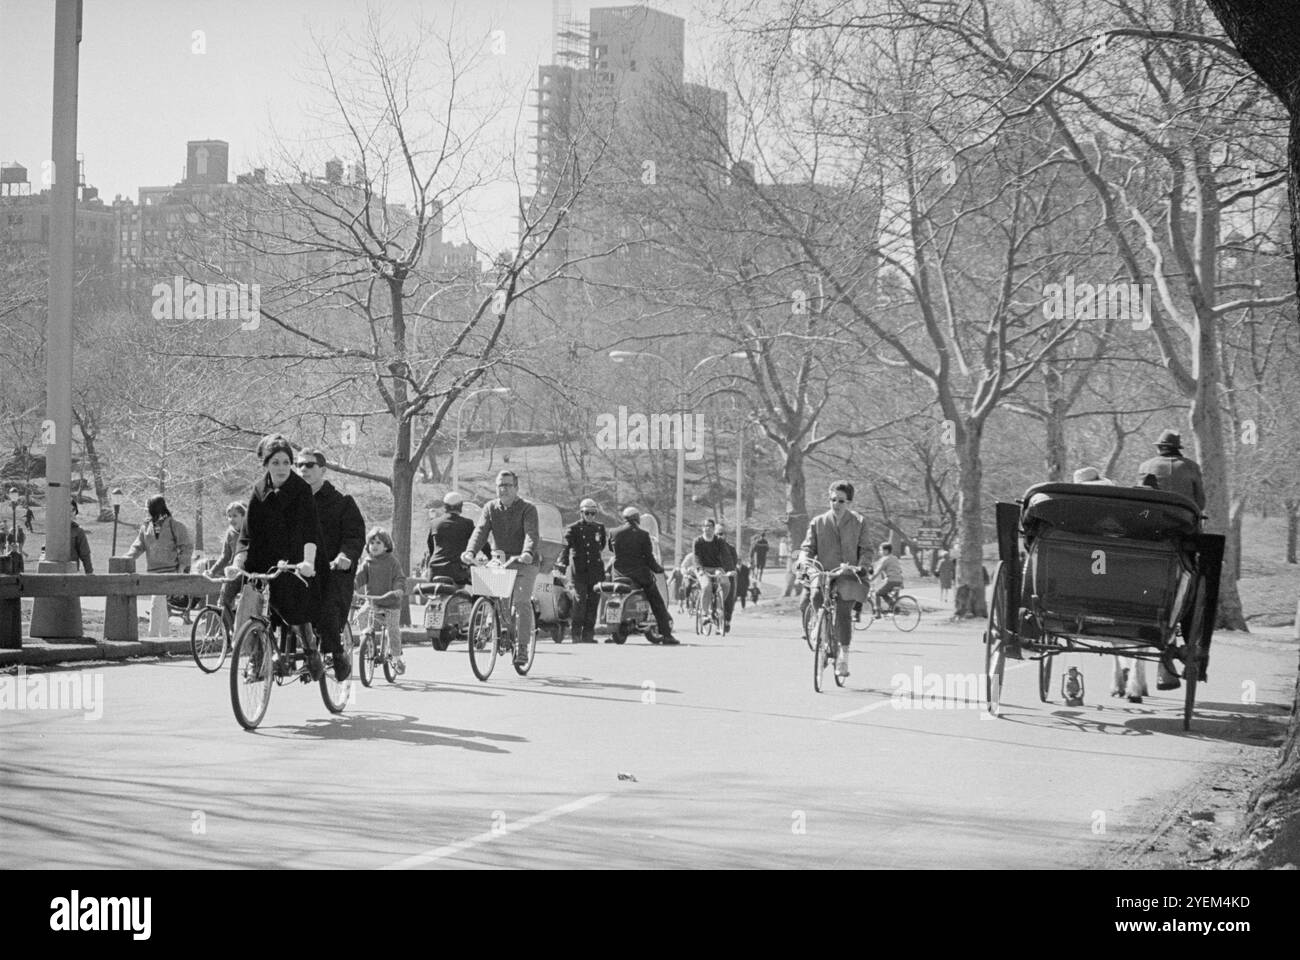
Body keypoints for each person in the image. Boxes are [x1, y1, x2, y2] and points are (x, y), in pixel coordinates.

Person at [226, 434, 327, 680]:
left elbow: (310, 530)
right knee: (251, 602)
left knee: (293, 606)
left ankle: (311, 651)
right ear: (266, 464)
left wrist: (308, 562)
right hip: (264, 558)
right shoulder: (259, 490)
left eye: (285, 462)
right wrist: (237, 562)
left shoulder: (301, 490)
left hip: (295, 559)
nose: (281, 468)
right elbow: (247, 534)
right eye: (275, 463)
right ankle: (256, 658)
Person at [299, 449, 366, 682]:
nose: (303, 469)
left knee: (327, 605)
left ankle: (337, 654)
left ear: (323, 470)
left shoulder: (342, 503)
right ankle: (266, 655)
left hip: (332, 570)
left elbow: (355, 536)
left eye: (309, 465)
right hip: (300, 568)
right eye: (299, 465)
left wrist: (345, 556)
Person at [462, 470, 541, 665]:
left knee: (521, 602)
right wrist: (470, 551)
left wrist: (528, 553)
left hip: (524, 562)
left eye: (507, 485)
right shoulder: (490, 508)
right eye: (500, 485)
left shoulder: (528, 509)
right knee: (492, 596)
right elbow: (480, 531)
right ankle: (491, 623)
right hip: (501, 561)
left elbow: (532, 533)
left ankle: (522, 647)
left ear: (516, 488)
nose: (503, 489)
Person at [799, 481, 872, 677]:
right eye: (833, 500)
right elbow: (807, 547)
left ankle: (843, 657)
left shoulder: (859, 522)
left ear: (849, 502)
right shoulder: (818, 522)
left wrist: (862, 566)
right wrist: (804, 560)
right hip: (824, 572)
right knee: (814, 596)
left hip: (848, 575)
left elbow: (866, 549)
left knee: (842, 613)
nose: (836, 504)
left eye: (841, 501)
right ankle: (818, 627)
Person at [122, 494, 193, 638]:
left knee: (156, 602)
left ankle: (153, 637)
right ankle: (165, 637)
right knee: (160, 604)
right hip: (153, 571)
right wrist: (126, 559)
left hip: (170, 571)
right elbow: (138, 546)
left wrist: (181, 567)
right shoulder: (146, 526)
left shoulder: (175, 526)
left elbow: (186, 546)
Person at [608, 506, 677, 644]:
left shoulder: (613, 532)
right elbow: (649, 558)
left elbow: (612, 549)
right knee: (657, 601)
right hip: (640, 576)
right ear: (637, 518)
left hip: (619, 575)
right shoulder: (643, 535)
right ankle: (667, 635)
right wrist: (658, 569)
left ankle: (612, 632)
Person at [355, 526, 407, 674]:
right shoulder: (367, 562)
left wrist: (398, 589)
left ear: (386, 546)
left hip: (391, 603)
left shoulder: (392, 562)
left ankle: (397, 658)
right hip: (373, 602)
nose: (374, 546)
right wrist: (352, 585)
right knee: (361, 615)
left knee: (392, 629)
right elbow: (360, 577)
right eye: (372, 543)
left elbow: (399, 578)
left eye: (378, 543)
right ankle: (367, 645)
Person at [557, 497, 607, 643]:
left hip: (595, 570)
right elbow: (566, 547)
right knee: (580, 602)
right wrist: (563, 562)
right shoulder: (574, 528)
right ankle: (576, 633)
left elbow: (601, 545)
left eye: (593, 513)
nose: (590, 516)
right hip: (579, 570)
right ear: (581, 513)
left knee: (593, 602)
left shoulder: (599, 527)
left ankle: (588, 634)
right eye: (587, 513)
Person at [1137, 429, 1205, 510]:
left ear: (1159, 447)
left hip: (1153, 516)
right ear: (1177, 448)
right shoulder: (1191, 466)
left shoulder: (1145, 466)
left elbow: (1140, 498)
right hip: (1184, 517)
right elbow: (1200, 503)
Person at [692, 519, 734, 633]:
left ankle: (717, 606)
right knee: (706, 586)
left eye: (710, 526)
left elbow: (726, 555)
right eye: (705, 526)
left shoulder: (719, 541)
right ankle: (705, 614)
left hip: (716, 568)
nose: (708, 528)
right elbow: (696, 557)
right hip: (703, 568)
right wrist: (700, 569)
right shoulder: (698, 541)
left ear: (714, 528)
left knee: (726, 584)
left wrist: (730, 570)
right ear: (702, 528)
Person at [426, 492, 475, 585]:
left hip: (434, 572)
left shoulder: (434, 523)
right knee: (479, 589)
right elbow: (479, 541)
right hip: (457, 574)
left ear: (445, 507)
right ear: (460, 506)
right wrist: (490, 556)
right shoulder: (467, 524)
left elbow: (431, 549)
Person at [213, 502, 247, 622]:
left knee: (247, 606)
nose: (231, 519)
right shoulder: (230, 533)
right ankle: (230, 632)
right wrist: (212, 571)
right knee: (222, 602)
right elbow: (225, 556)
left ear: (244, 516)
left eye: (235, 515)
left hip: (248, 574)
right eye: (229, 516)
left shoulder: (251, 532)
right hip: (233, 574)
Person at [715, 522, 739, 632]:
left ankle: (727, 620)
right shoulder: (711, 548)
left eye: (722, 534)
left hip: (728, 575)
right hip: (715, 576)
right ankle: (715, 621)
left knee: (729, 599)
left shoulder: (731, 548)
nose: (720, 536)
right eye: (718, 534)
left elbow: (734, 563)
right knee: (713, 596)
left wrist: (732, 571)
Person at [871, 542, 905, 618]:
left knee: (878, 593)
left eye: (880, 550)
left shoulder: (885, 559)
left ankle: (878, 613)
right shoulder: (895, 558)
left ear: (886, 551)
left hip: (891, 580)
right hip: (899, 580)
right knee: (884, 593)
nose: (879, 552)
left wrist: (870, 579)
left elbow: (877, 572)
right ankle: (893, 605)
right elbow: (899, 570)